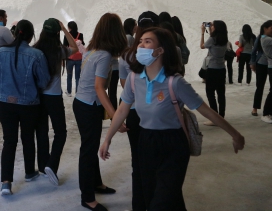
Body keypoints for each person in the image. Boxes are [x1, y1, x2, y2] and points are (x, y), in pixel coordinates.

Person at [100, 27, 245, 211]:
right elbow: (122, 110)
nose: (140, 46)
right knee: (156, 196)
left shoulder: (175, 82)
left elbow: (206, 110)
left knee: (161, 202)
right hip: (146, 142)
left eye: (147, 41)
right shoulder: (133, 79)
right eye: (140, 41)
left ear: (160, 50)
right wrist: (107, 139)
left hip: (173, 144)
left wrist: (235, 134)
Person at [73, 13, 127, 211]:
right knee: (88, 151)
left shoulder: (92, 51)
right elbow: (99, 88)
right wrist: (115, 117)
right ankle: (87, 197)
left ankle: (96, 183)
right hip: (88, 107)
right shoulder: (103, 55)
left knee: (90, 145)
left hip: (82, 104)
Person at [0, 20, 50, 196]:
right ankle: (30, 172)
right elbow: (44, 81)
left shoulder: (1, 52)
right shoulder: (36, 55)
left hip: (5, 103)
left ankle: (6, 183)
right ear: (31, 36)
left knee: (9, 141)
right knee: (28, 138)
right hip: (29, 104)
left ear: (15, 33)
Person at [118, 11, 159, 211]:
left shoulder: (126, 55)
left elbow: (124, 85)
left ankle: (139, 205)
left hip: (133, 112)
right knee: (157, 162)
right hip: (156, 113)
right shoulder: (163, 52)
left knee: (137, 161)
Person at [34, 18, 78, 186]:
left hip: (38, 97)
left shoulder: (35, 50)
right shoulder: (59, 51)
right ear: (57, 33)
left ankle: (42, 165)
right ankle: (52, 164)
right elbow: (75, 47)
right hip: (54, 97)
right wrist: (65, 29)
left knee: (41, 131)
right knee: (60, 132)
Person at [200, 20, 229, 124]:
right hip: (221, 69)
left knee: (210, 93)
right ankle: (221, 116)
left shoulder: (212, 39)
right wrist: (210, 31)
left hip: (212, 69)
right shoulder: (224, 39)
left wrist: (202, 33)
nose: (211, 26)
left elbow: (202, 46)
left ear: (216, 28)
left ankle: (215, 118)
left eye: (212, 25)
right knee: (221, 93)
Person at [63, 21, 85, 97]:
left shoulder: (67, 36)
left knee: (69, 76)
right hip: (79, 58)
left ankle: (69, 92)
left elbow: (65, 46)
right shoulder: (80, 35)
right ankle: (77, 92)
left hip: (70, 58)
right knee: (77, 76)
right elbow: (83, 44)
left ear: (69, 28)